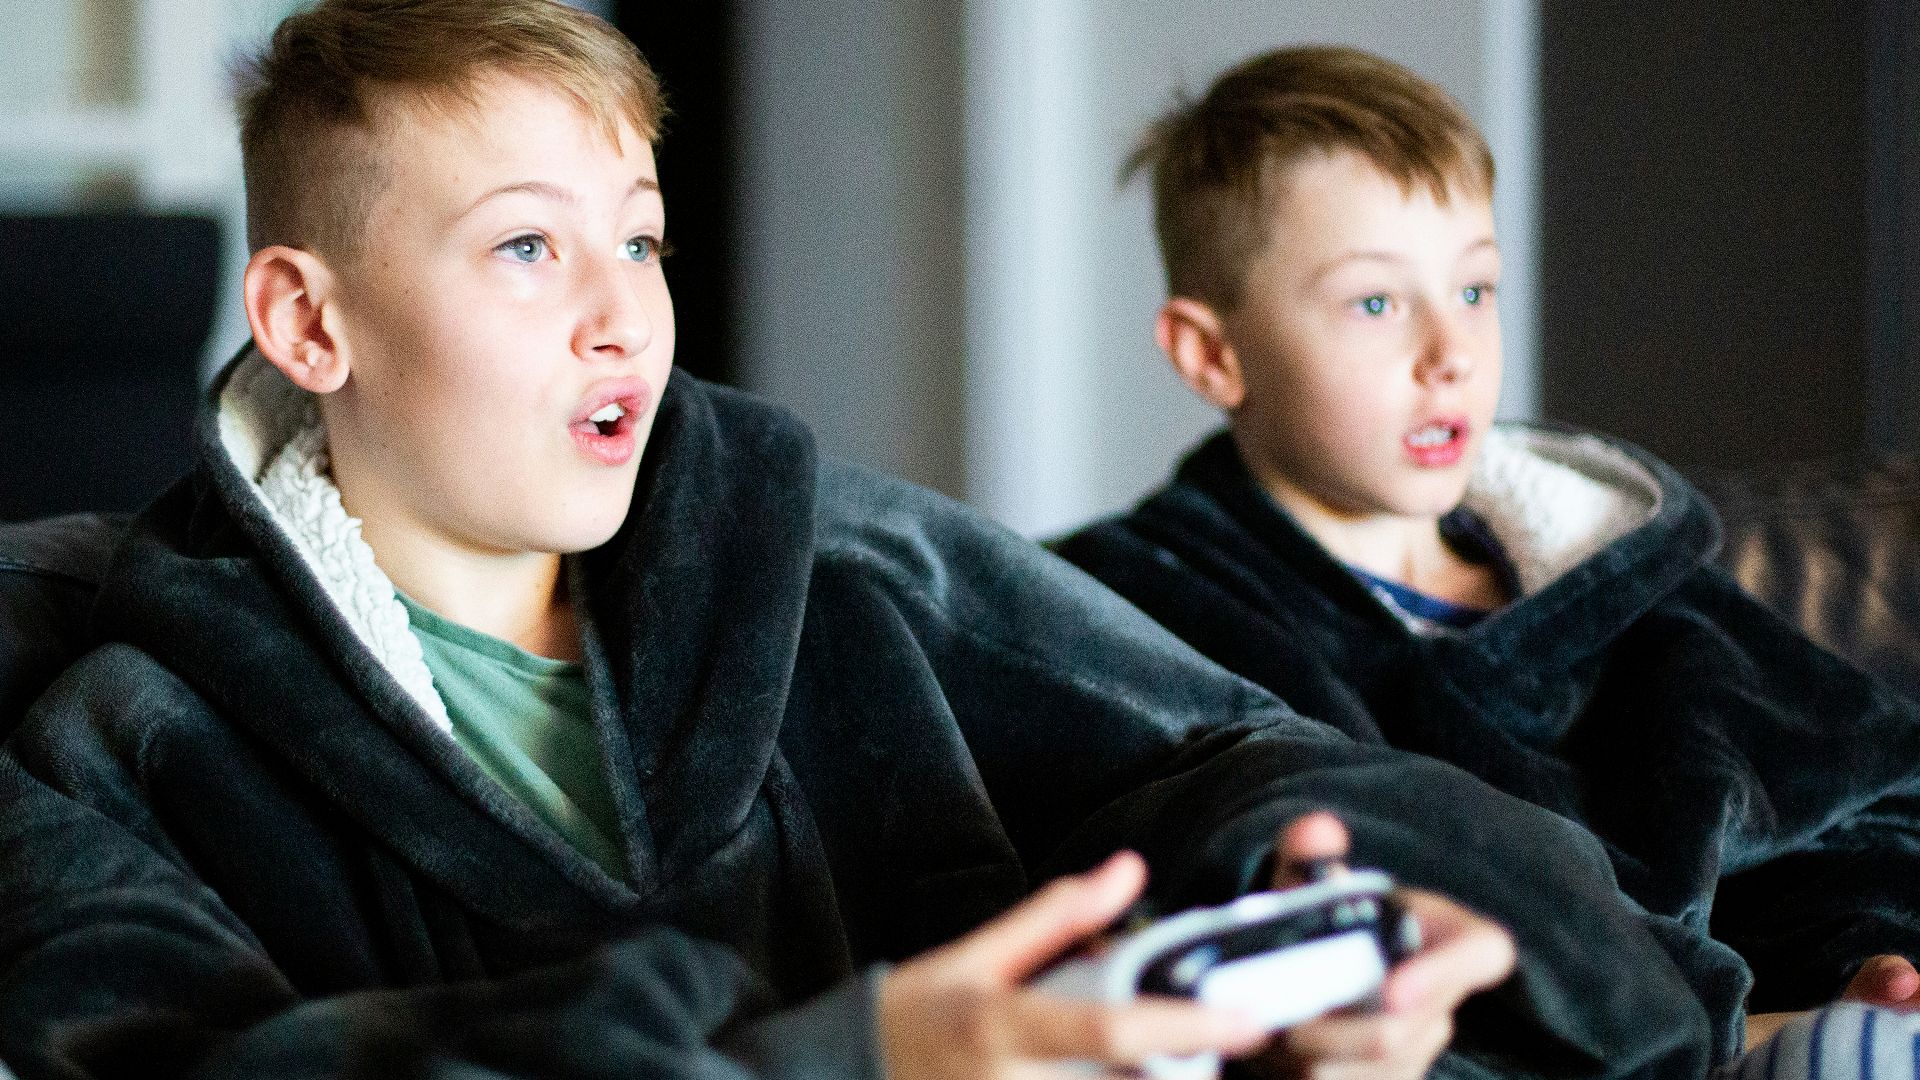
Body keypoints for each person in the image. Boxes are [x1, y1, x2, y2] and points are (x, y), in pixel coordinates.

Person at [0, 5, 1718, 1077]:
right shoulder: (134, 732)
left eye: (644, 240)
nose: (626, 319)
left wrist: (1330, 932)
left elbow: (1247, 756)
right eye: (530, 250)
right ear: (310, 325)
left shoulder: (828, 555)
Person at [1051, 43, 1920, 1073]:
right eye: (1377, 304)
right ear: (1213, 354)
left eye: (1474, 290)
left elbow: (1850, 792)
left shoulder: (1615, 579)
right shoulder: (1136, 610)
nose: (1451, 353)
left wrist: (1867, 953)